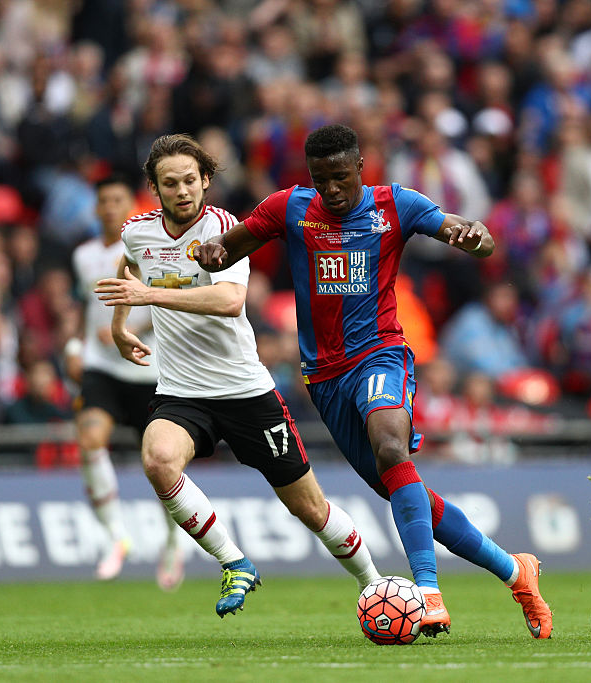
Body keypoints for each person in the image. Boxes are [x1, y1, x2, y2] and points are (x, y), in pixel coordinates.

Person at [193, 123, 552, 640]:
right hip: (324, 378)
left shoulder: (396, 205)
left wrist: (473, 237)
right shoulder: (290, 207)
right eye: (322, 180)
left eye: (341, 177)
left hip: (380, 355)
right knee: (409, 493)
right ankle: (517, 572)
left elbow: (468, 233)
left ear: (361, 168)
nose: (332, 190)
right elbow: (228, 249)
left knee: (390, 446)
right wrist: (209, 255)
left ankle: (427, 591)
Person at [94, 133, 381, 617]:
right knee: (159, 459)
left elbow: (229, 302)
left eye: (190, 180)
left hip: (246, 390)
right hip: (183, 391)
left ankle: (374, 584)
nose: (182, 191)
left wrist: (150, 297)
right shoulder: (137, 231)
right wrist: (121, 328)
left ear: (205, 180)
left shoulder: (225, 229)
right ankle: (235, 561)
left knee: (309, 508)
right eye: (170, 183)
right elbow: (130, 265)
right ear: (154, 188)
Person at [71, 175, 184, 588]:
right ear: (97, 207)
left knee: (161, 464)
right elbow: (83, 308)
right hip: (101, 366)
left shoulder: (147, 248)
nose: (109, 207)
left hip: (148, 368)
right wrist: (73, 347)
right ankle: (116, 537)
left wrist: (127, 326)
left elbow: (170, 303)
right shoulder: (82, 255)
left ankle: (173, 540)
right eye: (103, 201)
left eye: (117, 199)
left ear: (128, 205)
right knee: (89, 440)